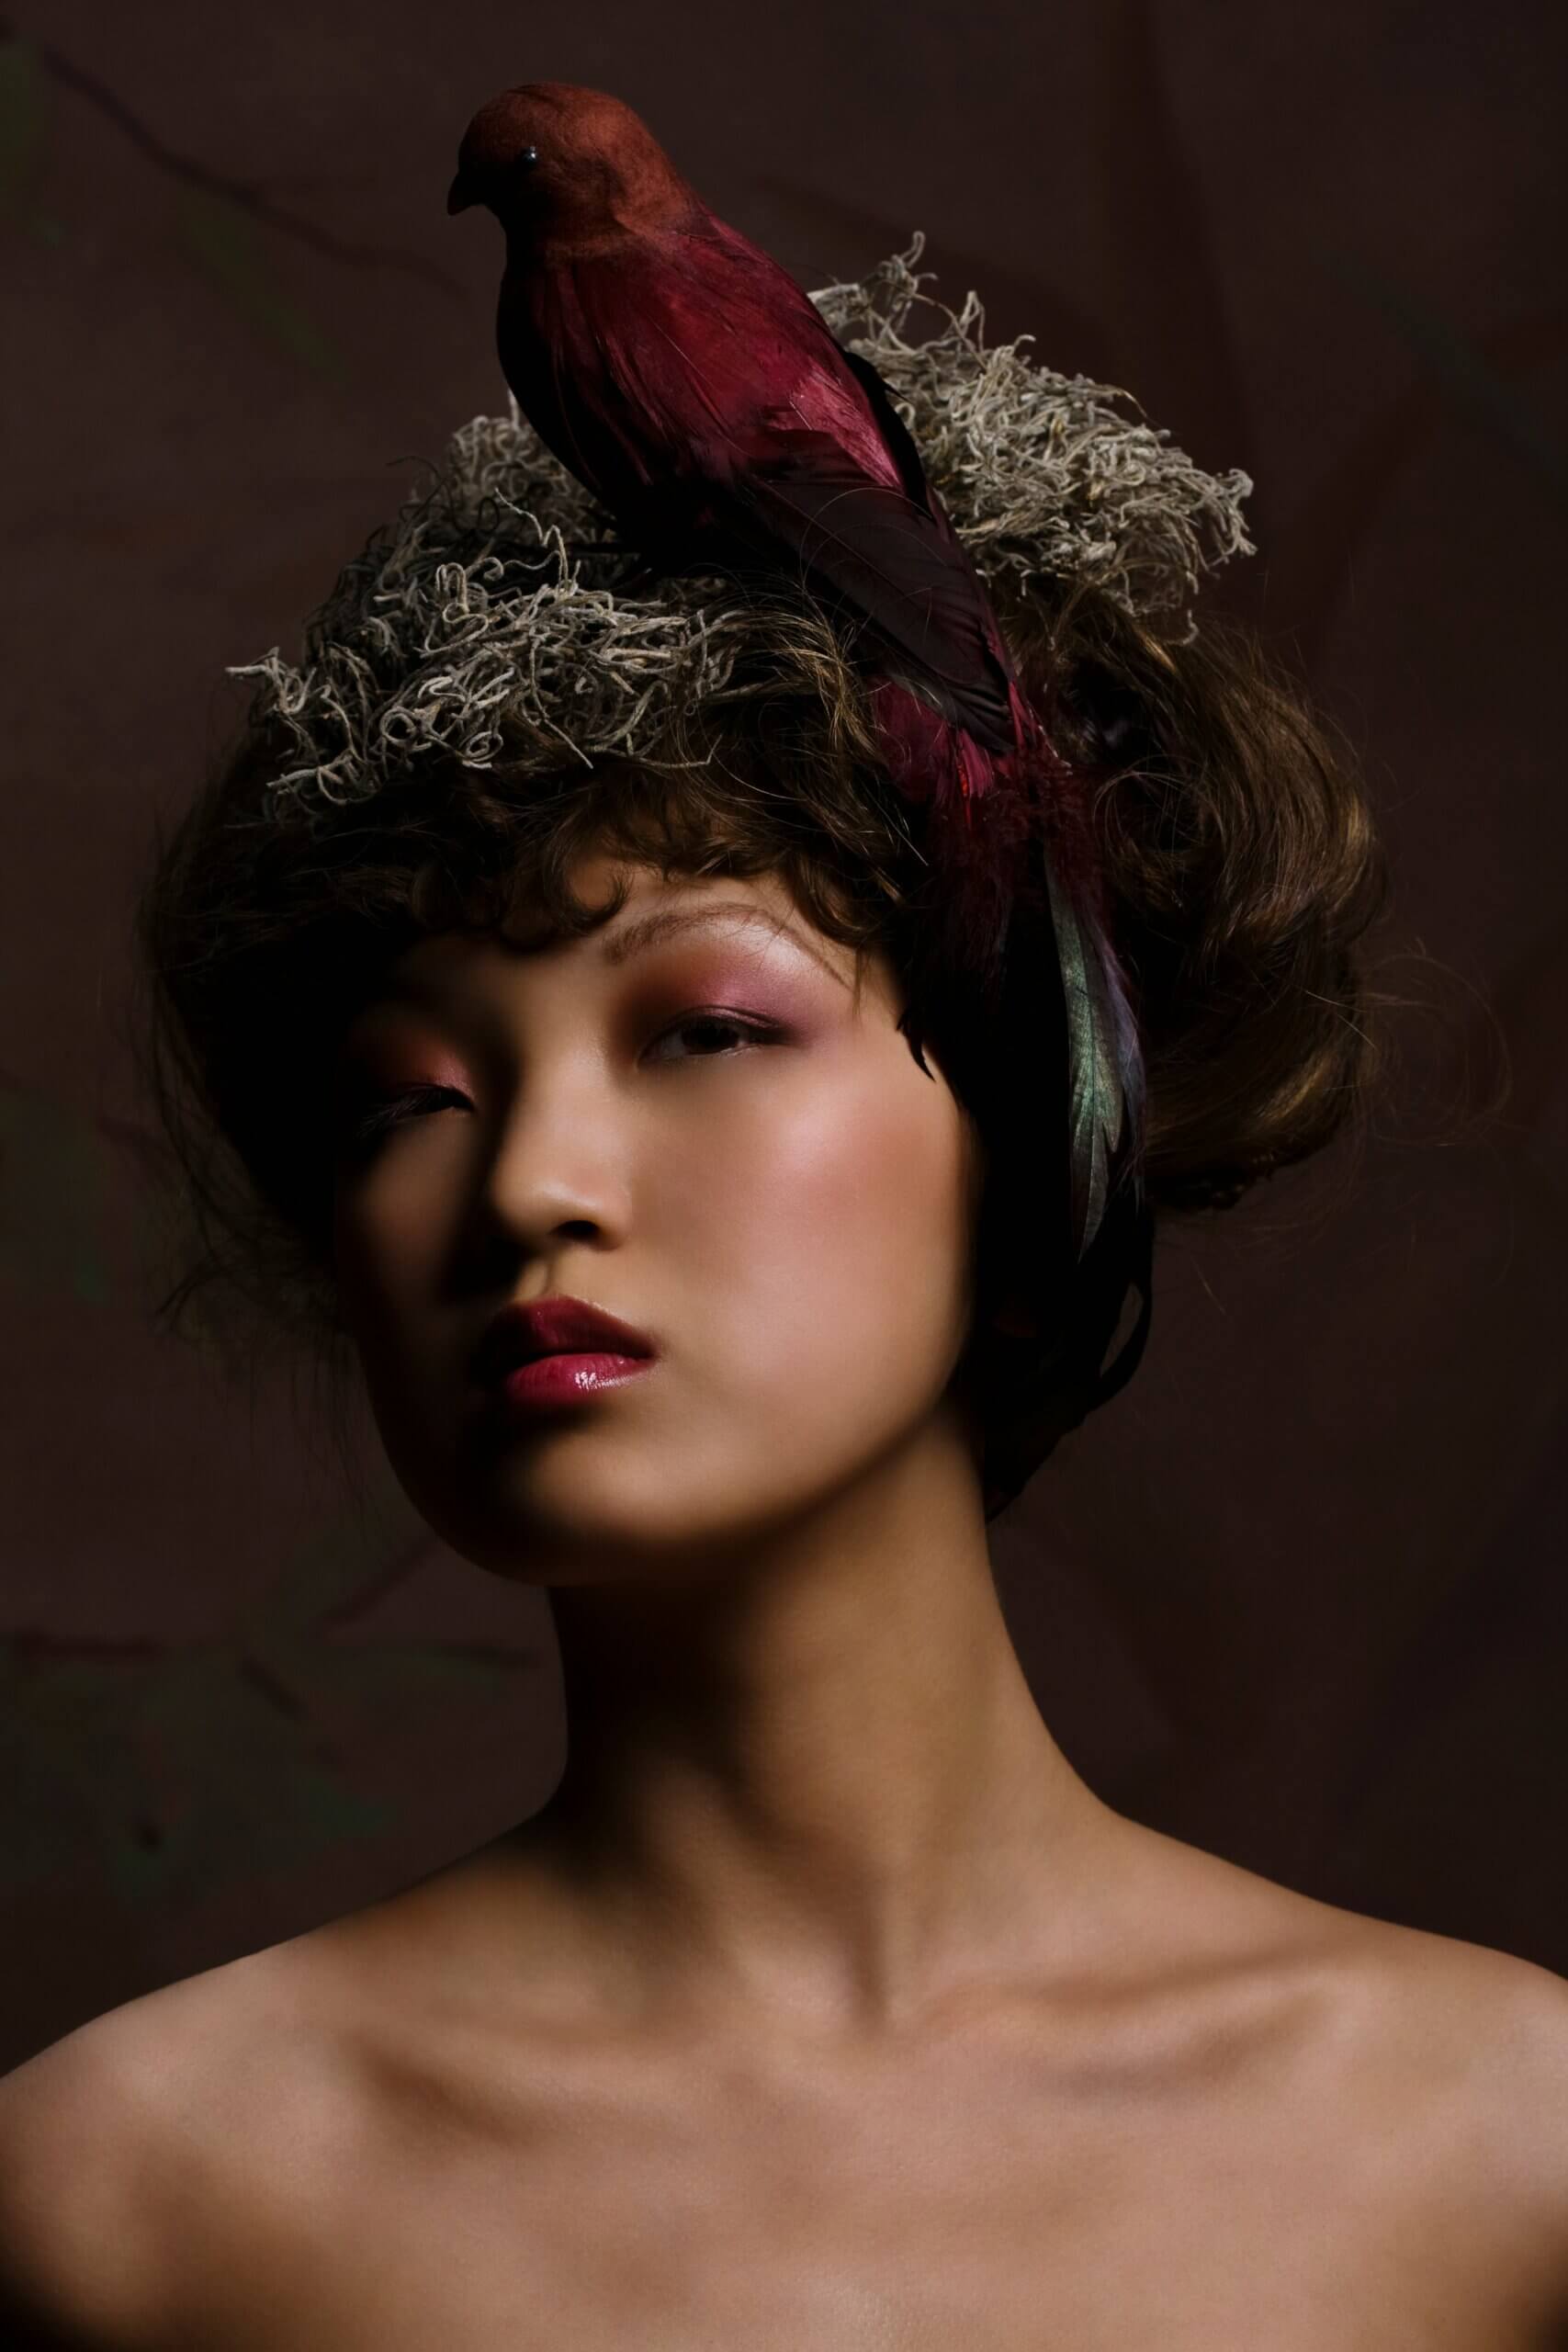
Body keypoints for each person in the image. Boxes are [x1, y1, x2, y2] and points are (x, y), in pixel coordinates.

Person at [2, 242, 1565, 2350]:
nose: (530, 1185)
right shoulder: (126, 2196)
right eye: (409, 1098)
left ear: (1038, 1137)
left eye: (707, 1030)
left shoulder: (1501, 2148)